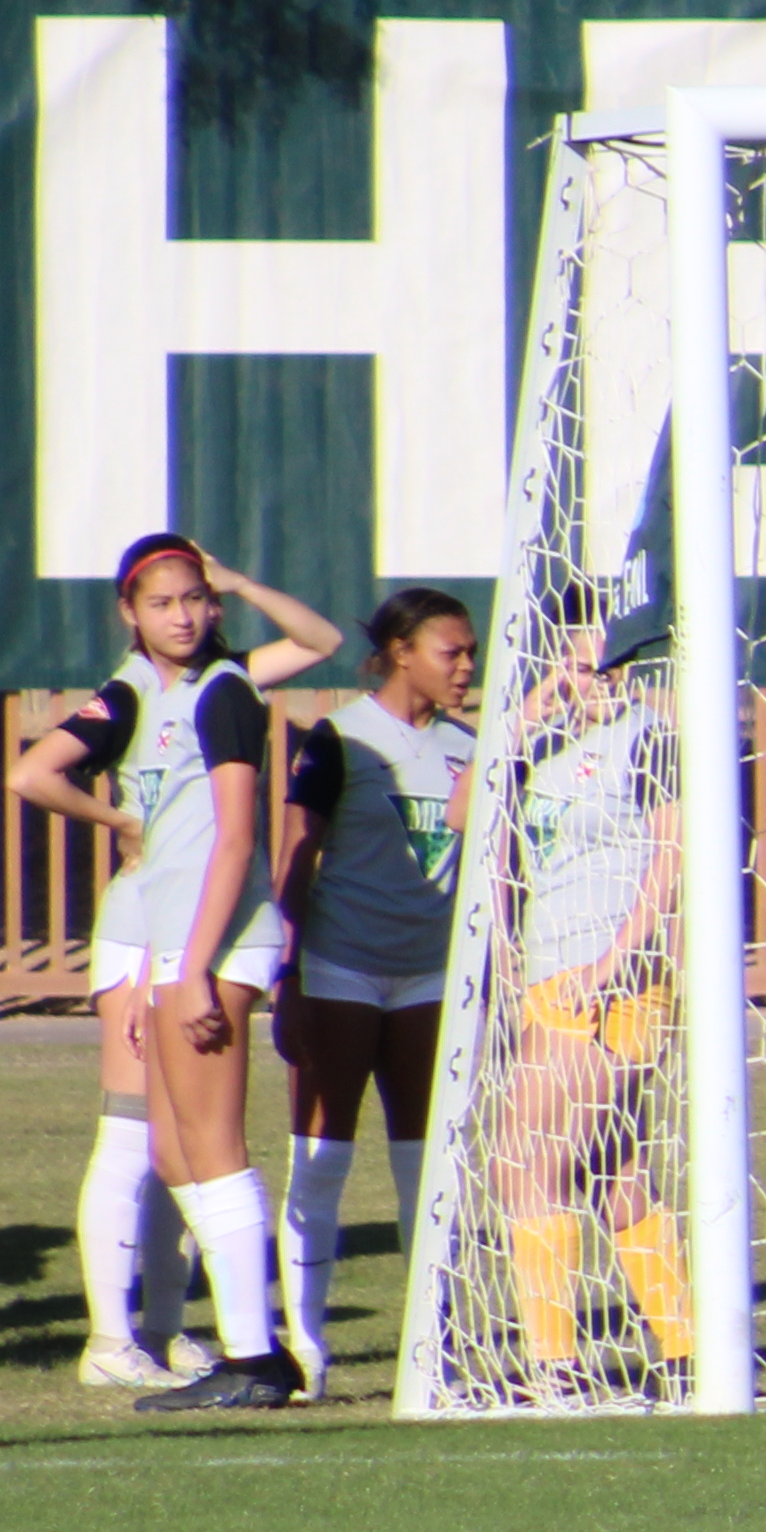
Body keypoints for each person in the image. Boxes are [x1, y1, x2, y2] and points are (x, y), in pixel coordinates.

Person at [13, 537, 332, 1413]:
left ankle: (256, 1359)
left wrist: (192, 972)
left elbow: (234, 837)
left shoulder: (227, 690)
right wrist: (119, 825)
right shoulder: (140, 693)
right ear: (130, 610)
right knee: (169, 1147)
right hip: (173, 937)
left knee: (213, 1146)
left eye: (197, 598)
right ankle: (226, 1350)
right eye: (165, 602)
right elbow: (34, 775)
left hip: (213, 941)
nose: (185, 615)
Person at [270, 585, 480, 1391]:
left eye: (469, 652)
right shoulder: (339, 741)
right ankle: (307, 1350)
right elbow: (298, 853)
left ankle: (433, 1345)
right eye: (449, 651)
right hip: (341, 969)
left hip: (430, 977)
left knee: (425, 1167)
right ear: (400, 653)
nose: (465, 666)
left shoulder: (472, 747)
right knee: (320, 1159)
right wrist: (289, 974)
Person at [492, 625, 691, 1393]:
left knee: (527, 1164)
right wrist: (521, 726)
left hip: (609, 983)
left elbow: (673, 851)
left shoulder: (647, 738)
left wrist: (615, 960)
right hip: (550, 980)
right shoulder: (542, 751)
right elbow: (459, 815)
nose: (590, 679)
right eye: (574, 665)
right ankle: (685, 1351)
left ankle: (556, 1363)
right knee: (616, 1174)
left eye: (607, 666)